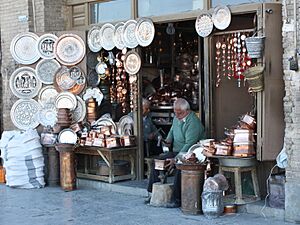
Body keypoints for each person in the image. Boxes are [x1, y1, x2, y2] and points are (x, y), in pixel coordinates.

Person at [145, 98, 205, 207]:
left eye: (179, 113)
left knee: (180, 167)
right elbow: (172, 131)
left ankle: (176, 199)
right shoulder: (177, 118)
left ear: (187, 111)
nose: (177, 116)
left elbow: (189, 145)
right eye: (175, 113)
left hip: (191, 154)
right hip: (177, 151)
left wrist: (176, 159)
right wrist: (167, 141)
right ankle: (152, 193)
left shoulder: (193, 123)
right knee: (157, 162)